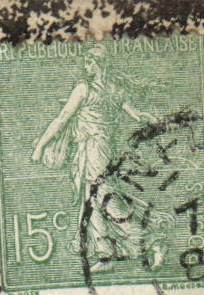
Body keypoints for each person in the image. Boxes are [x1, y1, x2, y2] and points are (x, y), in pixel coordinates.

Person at [29, 43, 158, 263]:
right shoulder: (115, 90)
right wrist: (148, 118)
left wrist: (40, 146)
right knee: (92, 197)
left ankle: (145, 240)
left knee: (104, 197)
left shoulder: (84, 89)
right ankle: (103, 251)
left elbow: (62, 119)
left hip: (93, 150)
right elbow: (136, 115)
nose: (86, 67)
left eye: (89, 63)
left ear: (97, 65)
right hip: (103, 150)